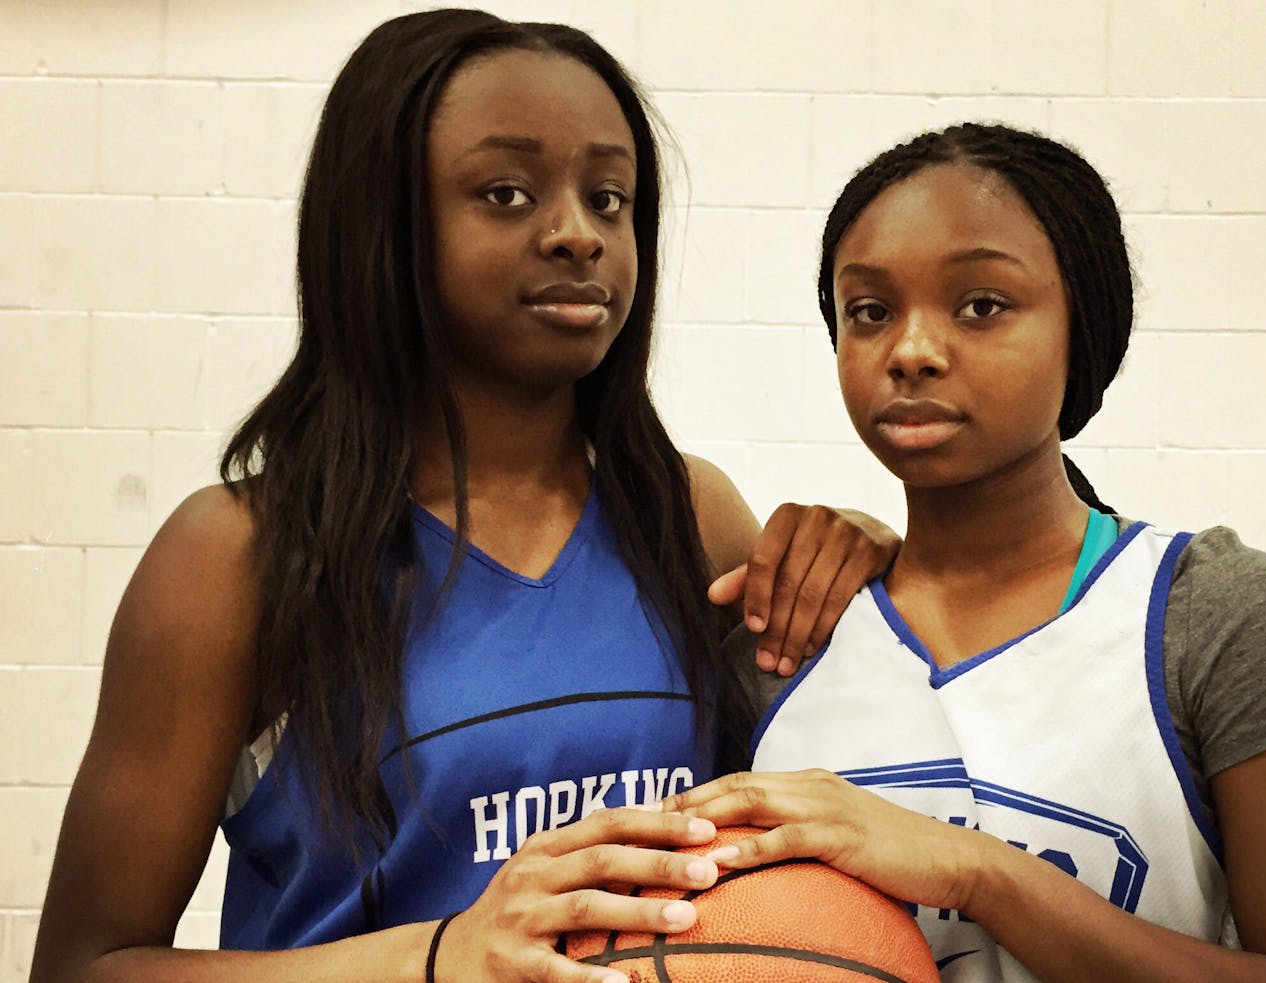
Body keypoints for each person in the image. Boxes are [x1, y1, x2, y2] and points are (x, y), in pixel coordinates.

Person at [28, 11, 899, 983]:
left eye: (609, 198)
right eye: (506, 192)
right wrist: (437, 955)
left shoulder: (689, 515)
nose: (577, 232)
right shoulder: (237, 555)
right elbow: (84, 962)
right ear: (382, 224)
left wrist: (881, 561)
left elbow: (840, 813)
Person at [665, 123, 1266, 983]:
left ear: (1082, 327)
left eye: (982, 306)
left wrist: (974, 870)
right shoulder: (784, 637)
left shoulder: (1216, 613)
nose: (911, 351)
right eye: (870, 311)